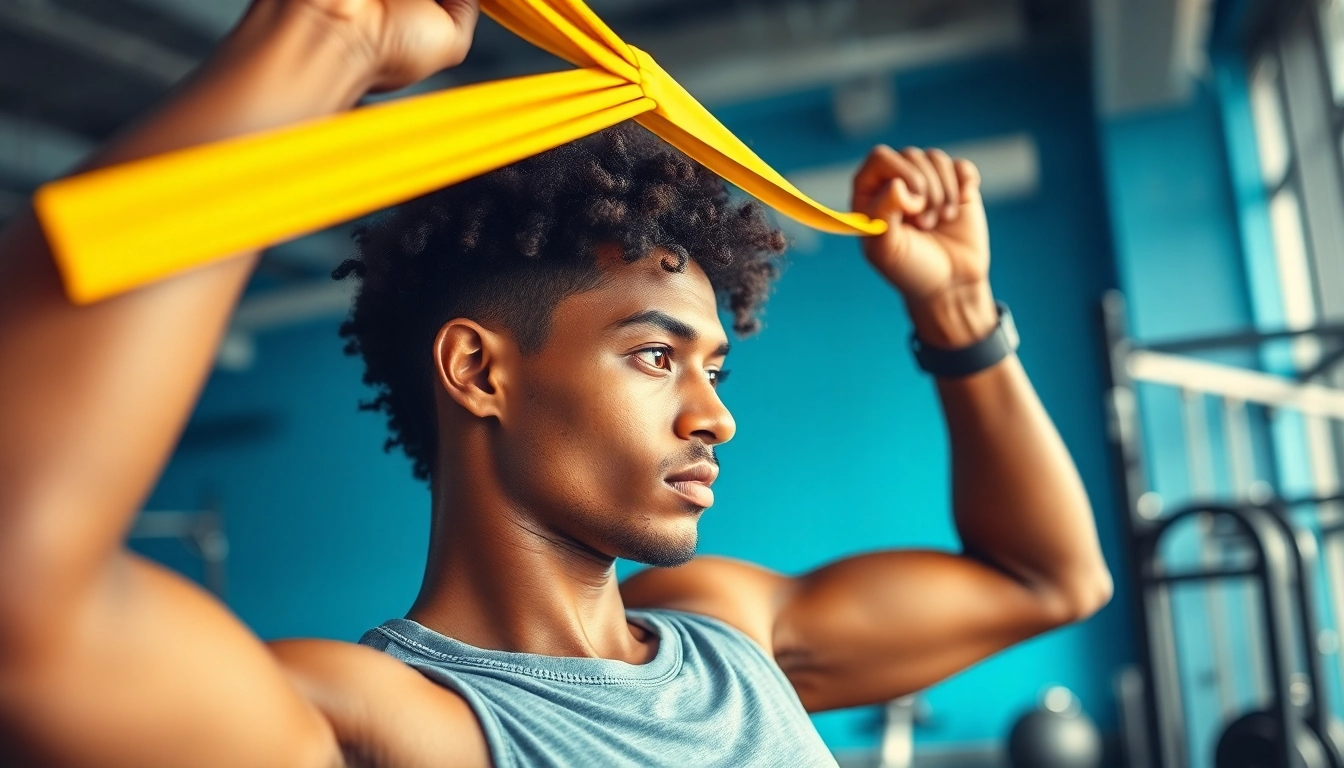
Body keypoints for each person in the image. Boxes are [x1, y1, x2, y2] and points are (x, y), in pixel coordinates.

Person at [0, 0, 1113, 766]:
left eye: (713, 365)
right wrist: (326, 34)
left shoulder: (727, 630)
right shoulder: (388, 724)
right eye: (655, 355)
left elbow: (1049, 580)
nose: (715, 413)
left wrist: (958, 312)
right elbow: (22, 591)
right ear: (479, 371)